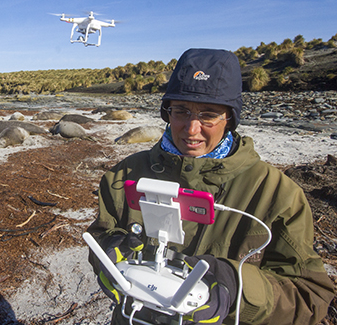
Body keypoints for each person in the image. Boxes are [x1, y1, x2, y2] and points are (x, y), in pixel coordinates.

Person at [87, 48, 334, 325]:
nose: (192, 129)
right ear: (167, 113)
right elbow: (100, 237)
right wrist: (110, 250)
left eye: (208, 114)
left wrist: (235, 287)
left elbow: (310, 298)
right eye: (181, 111)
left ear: (229, 117)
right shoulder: (124, 175)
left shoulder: (278, 194)